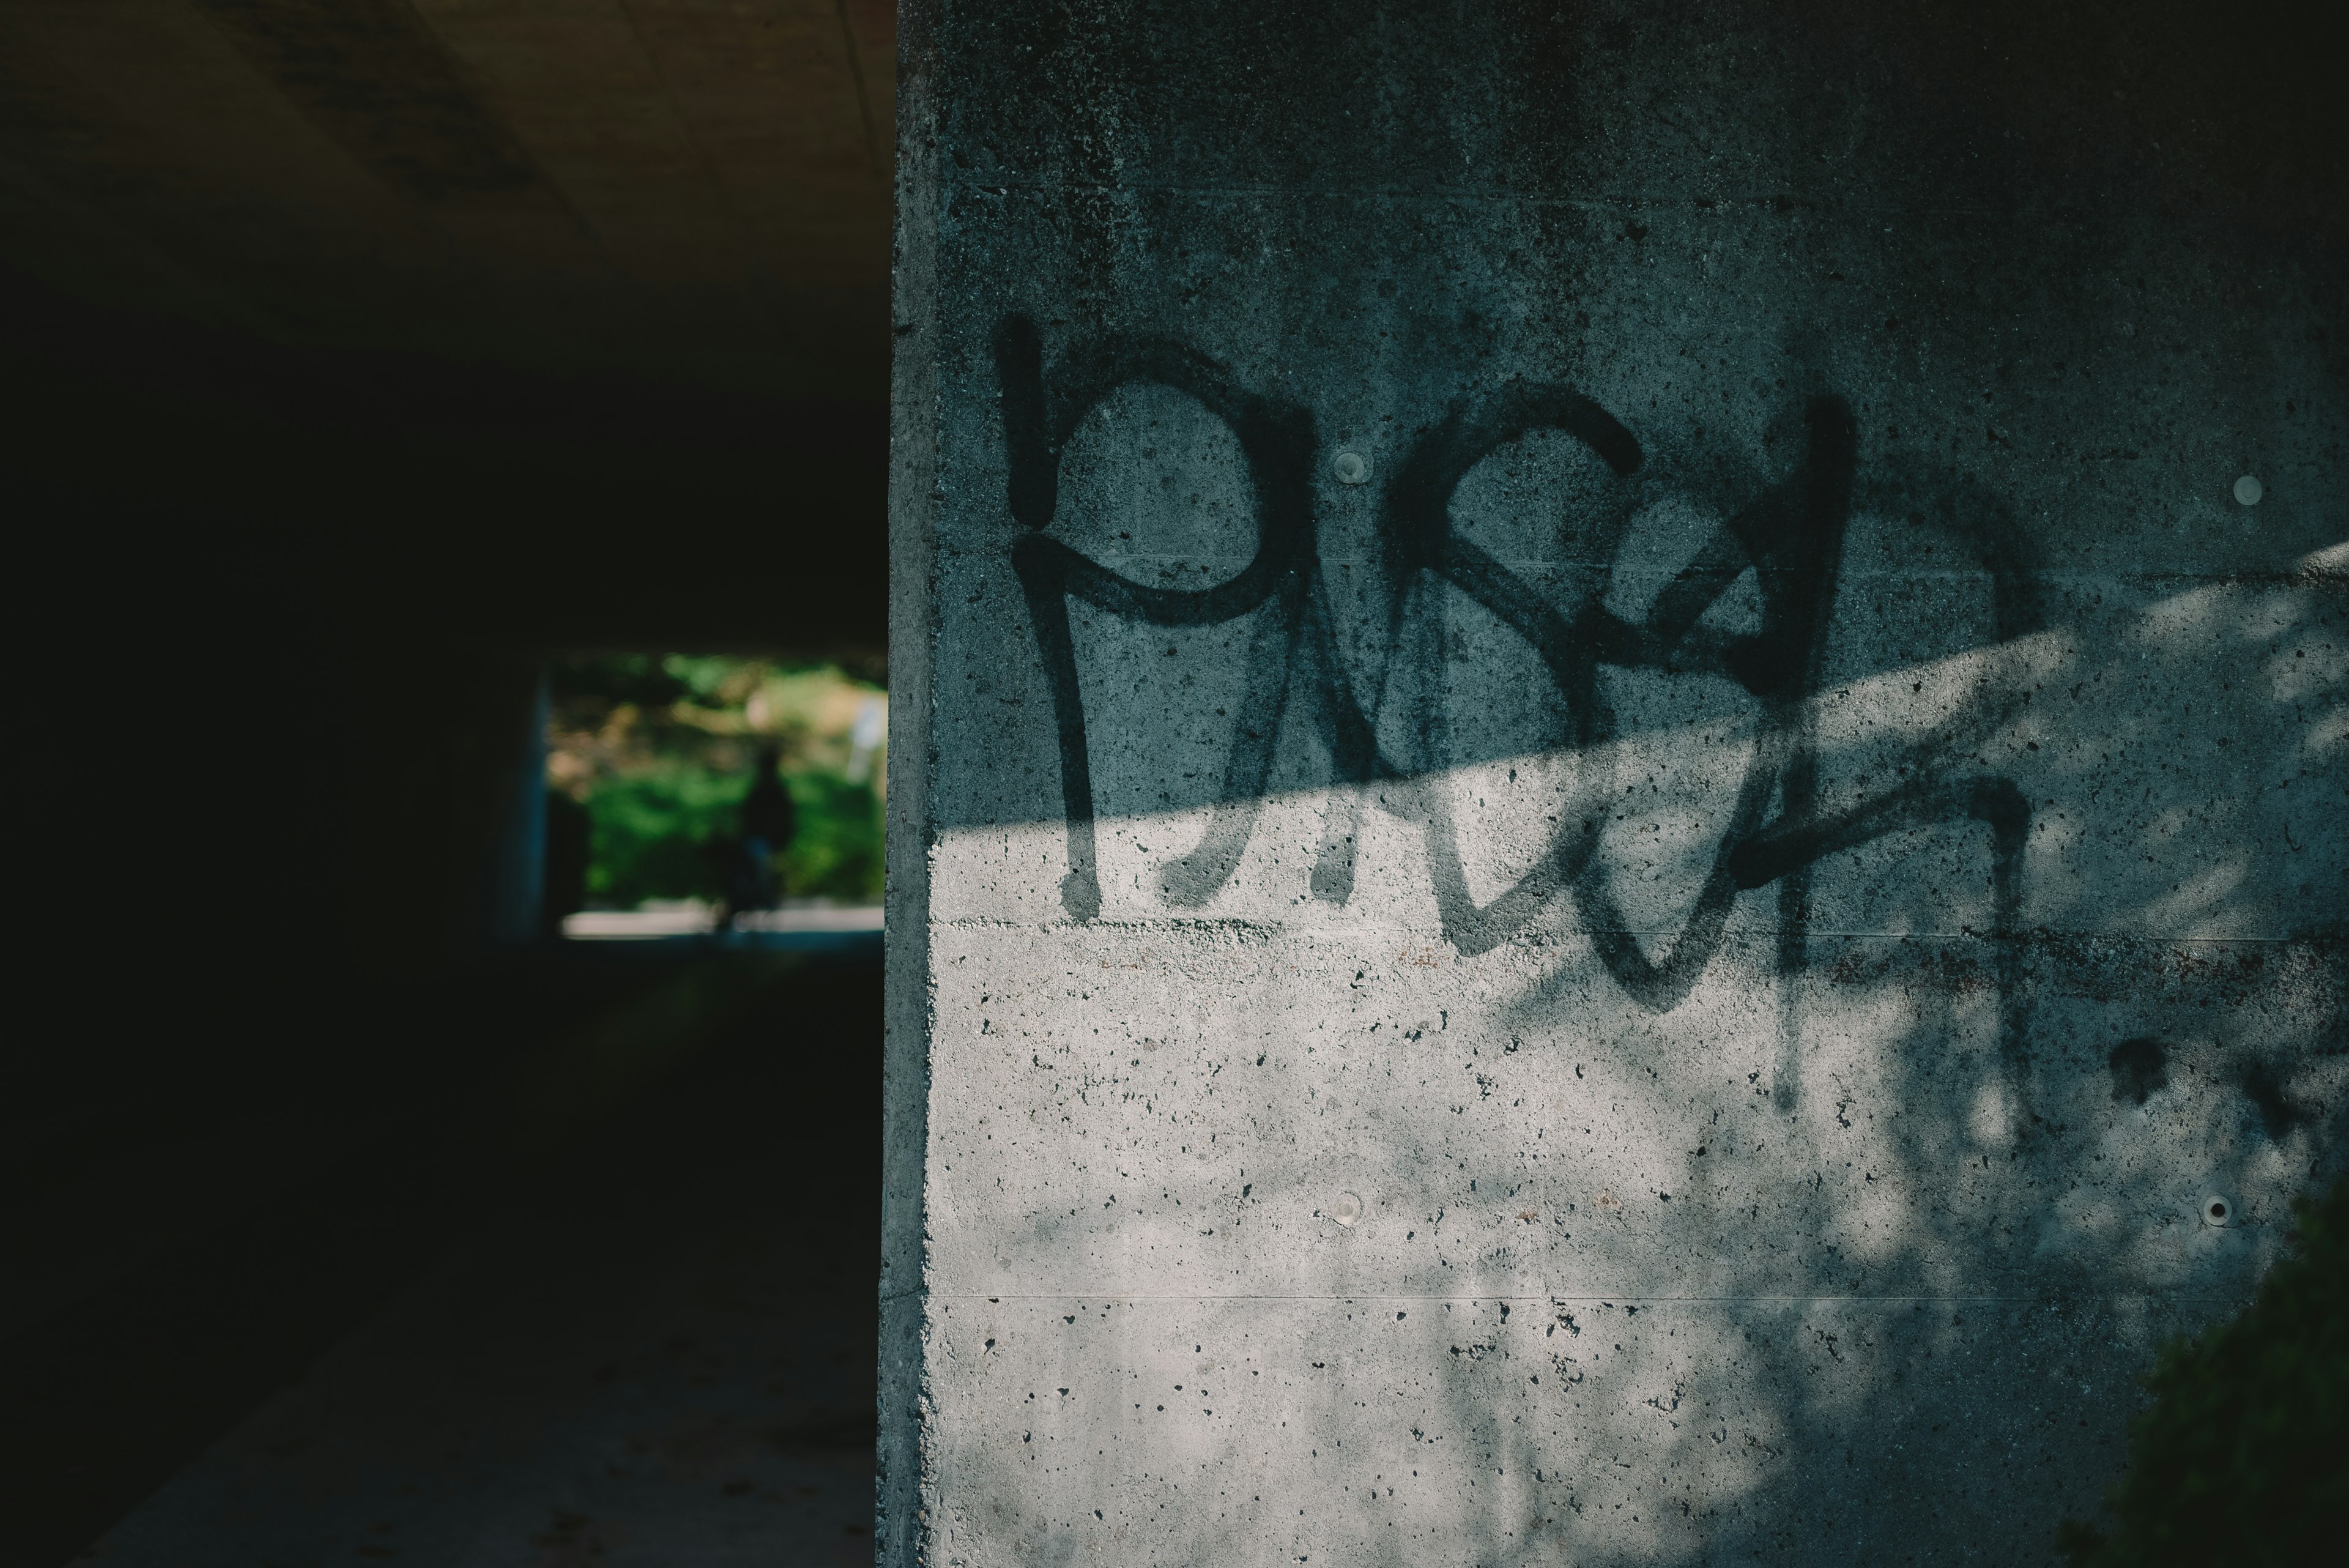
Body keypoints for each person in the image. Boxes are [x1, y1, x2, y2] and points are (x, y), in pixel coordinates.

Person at [722, 745, 796, 931]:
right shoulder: (774, 788)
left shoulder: (766, 788)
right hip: (766, 839)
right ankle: (757, 901)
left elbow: (749, 814)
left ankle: (750, 902)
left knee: (751, 872)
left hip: (760, 838)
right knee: (755, 872)